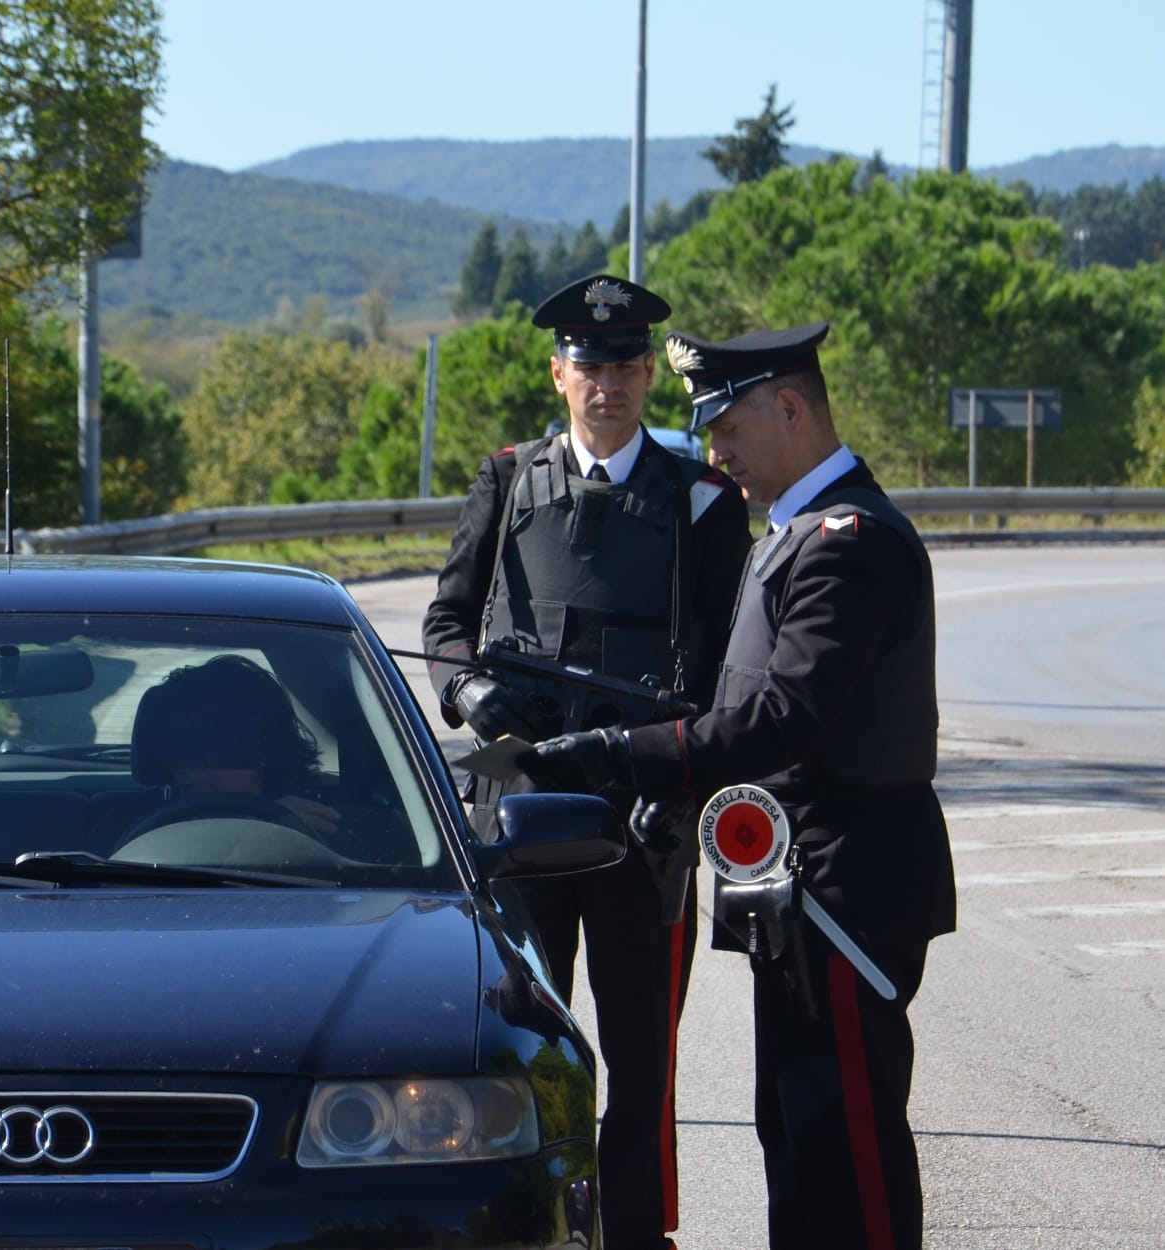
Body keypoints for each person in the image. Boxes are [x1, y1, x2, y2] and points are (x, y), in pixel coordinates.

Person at [524, 322, 957, 1250]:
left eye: (725, 428)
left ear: (790, 408)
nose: (714, 452)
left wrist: (618, 751)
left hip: (845, 889)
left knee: (846, 1151)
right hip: (797, 894)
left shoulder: (846, 540)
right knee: (796, 1139)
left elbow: (779, 720)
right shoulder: (796, 532)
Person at [421, 274, 750, 1250]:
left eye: (623, 365)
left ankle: (639, 1233)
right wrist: (468, 693)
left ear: (647, 374)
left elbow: (729, 654)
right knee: (523, 1050)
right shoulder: (509, 477)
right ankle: (533, 1227)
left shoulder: (697, 498)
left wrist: (685, 786)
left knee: (643, 1060)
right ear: (557, 372)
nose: (604, 381)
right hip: (520, 814)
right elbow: (447, 621)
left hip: (641, 817)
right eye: (587, 365)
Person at [134, 654, 340, 834]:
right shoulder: (126, 821)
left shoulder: (310, 824)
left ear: (266, 750)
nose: (196, 771)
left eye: (221, 751)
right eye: (182, 750)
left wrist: (277, 829)